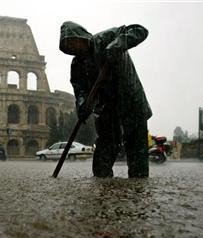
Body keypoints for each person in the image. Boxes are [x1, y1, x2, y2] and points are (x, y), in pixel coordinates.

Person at [59, 21, 152, 178]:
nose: (72, 47)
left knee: (136, 144)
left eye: (73, 41)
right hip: (106, 106)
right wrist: (82, 105)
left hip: (129, 98)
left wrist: (117, 44)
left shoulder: (105, 38)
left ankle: (139, 183)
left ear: (81, 37)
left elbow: (140, 30)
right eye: (68, 45)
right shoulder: (77, 65)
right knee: (106, 143)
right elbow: (80, 90)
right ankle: (102, 180)